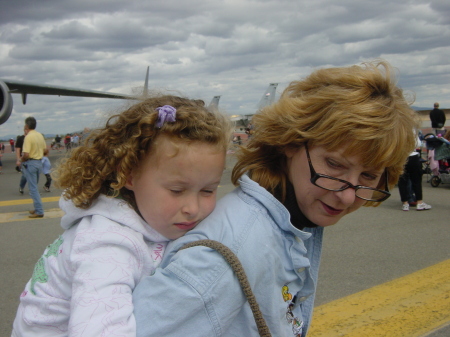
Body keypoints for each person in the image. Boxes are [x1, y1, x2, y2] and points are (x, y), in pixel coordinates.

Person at [132, 61, 420, 337]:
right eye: (334, 165)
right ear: (291, 143)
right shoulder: (225, 258)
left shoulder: (296, 219)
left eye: (368, 177)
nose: (346, 196)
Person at [12, 95, 232, 337]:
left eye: (208, 190)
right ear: (129, 175)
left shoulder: (154, 219)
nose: (193, 207)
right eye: (177, 190)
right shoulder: (106, 246)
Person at [398, 133, 432, 211]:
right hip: (412, 155)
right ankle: (419, 202)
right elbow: (418, 143)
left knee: (402, 181)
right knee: (416, 180)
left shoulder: (395, 128)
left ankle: (405, 203)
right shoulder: (411, 128)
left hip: (400, 156)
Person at [20, 117, 46, 217]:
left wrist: (21, 160)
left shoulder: (28, 137)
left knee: (33, 188)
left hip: (31, 163)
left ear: (26, 126)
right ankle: (36, 208)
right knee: (35, 186)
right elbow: (45, 150)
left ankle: (39, 210)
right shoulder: (39, 135)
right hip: (39, 162)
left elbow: (26, 154)